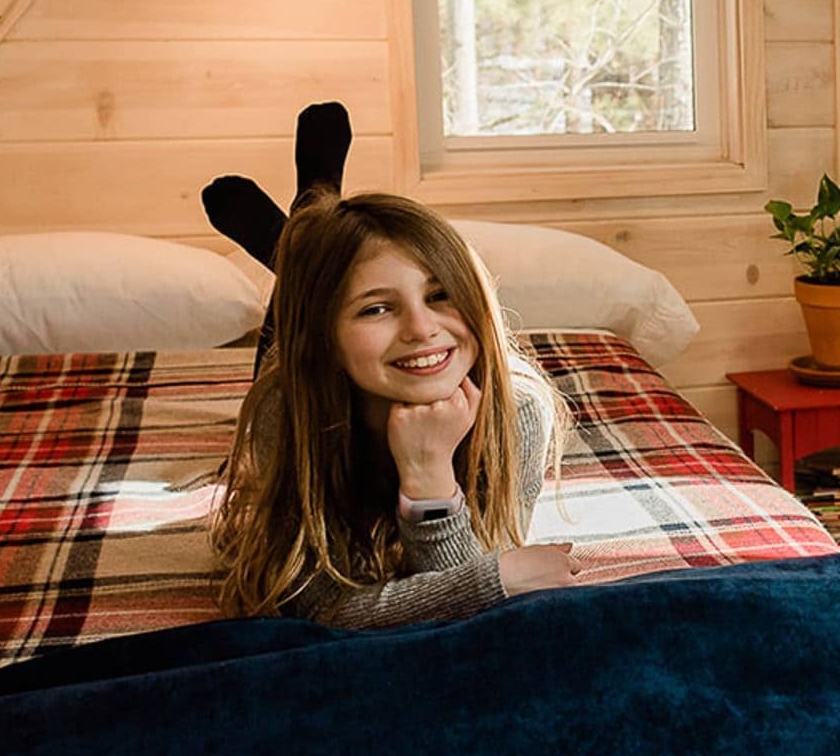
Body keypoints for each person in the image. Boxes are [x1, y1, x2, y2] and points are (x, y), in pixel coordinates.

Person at [212, 191, 585, 626]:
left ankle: (303, 220)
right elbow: (320, 608)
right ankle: (296, 230)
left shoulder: (517, 409)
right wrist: (498, 577)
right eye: (376, 308)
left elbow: (476, 624)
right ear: (327, 338)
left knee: (316, 274)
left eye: (441, 295)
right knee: (285, 342)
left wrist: (429, 479)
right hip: (318, 382)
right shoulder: (286, 410)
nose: (422, 329)